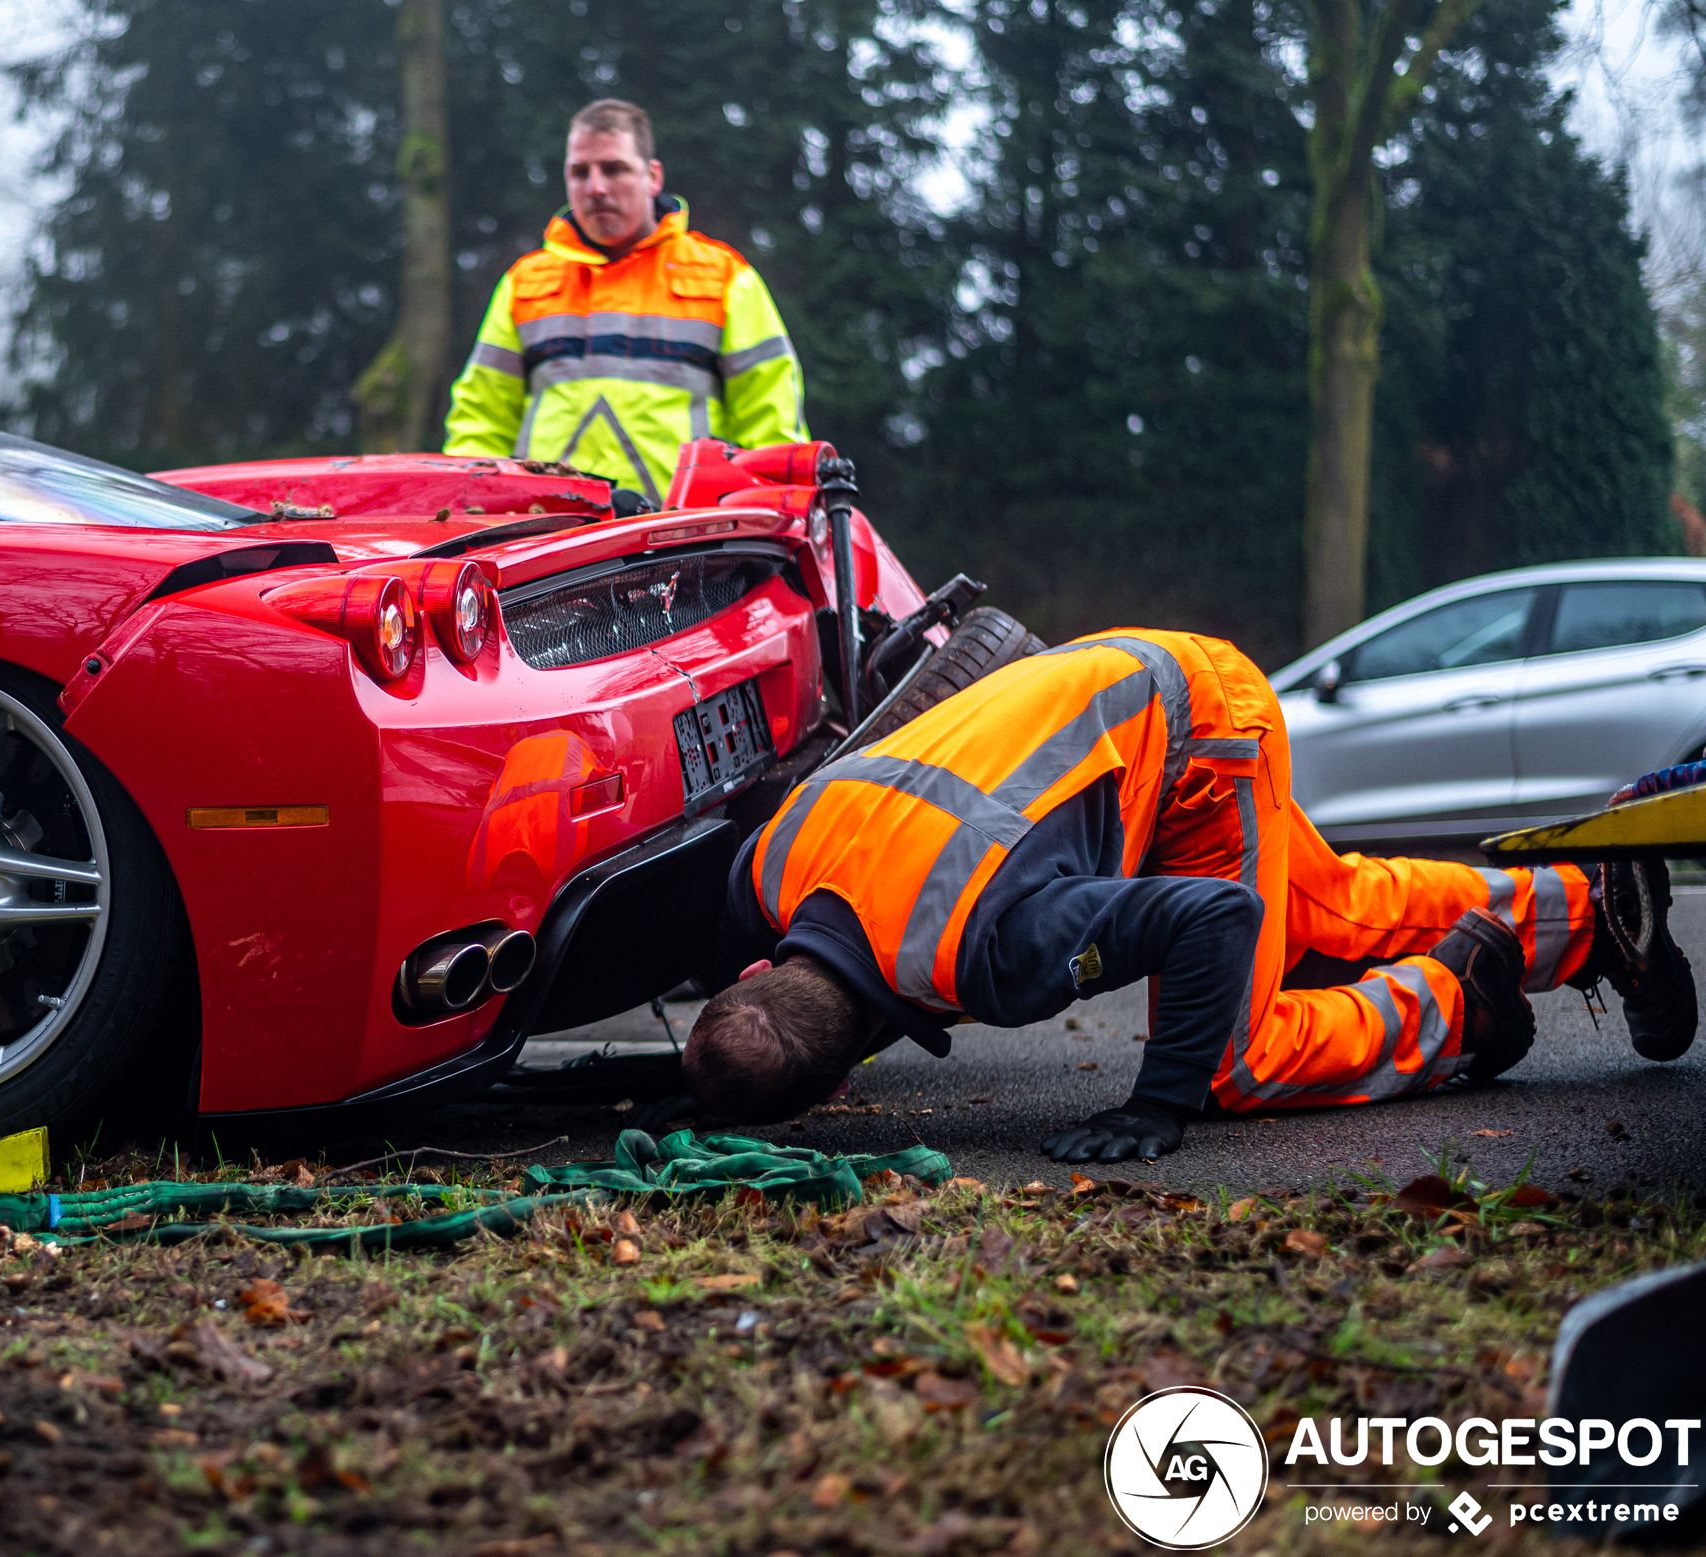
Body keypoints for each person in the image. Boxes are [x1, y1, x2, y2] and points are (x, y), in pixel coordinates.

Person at [682, 627, 1697, 1162]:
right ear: (756, 969)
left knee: (1228, 1063)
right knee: (1321, 907)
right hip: (1112, 678)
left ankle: (1457, 1004)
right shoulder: (763, 867)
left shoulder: (988, 951)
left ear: (836, 1089)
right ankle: (1587, 909)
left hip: (1196, 734)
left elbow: (1212, 918)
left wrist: (1157, 1102)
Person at [442, 99, 806, 500]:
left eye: (614, 169)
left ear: (653, 177)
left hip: (690, 541)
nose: (596, 187)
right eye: (580, 173)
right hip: (547, 542)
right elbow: (481, 422)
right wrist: (462, 507)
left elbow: (770, 428)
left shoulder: (724, 278)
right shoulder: (524, 283)